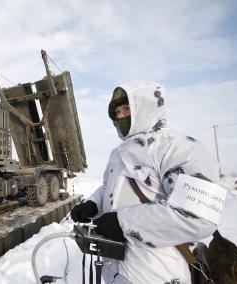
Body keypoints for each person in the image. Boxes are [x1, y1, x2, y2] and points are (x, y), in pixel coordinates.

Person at [71, 82, 224, 283]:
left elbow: (199, 216)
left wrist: (123, 223)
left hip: (156, 271)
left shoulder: (181, 149)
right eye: (117, 112)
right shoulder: (117, 154)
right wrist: (93, 203)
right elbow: (108, 187)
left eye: (127, 109)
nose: (121, 116)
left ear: (146, 107)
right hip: (114, 268)